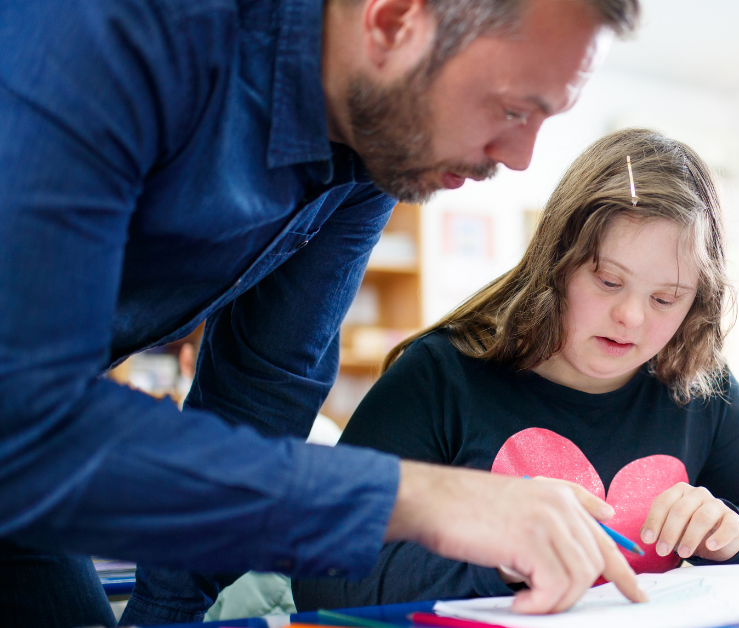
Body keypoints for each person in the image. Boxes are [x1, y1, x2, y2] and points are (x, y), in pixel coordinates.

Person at [0, 0, 647, 625]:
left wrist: (165, 615)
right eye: (513, 109)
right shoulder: (117, 25)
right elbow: (30, 416)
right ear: (394, 21)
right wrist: (428, 499)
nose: (519, 157)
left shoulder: (377, 147)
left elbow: (265, 385)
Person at [293, 128, 739, 610]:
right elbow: (321, 572)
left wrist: (733, 530)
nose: (631, 317)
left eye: (666, 298)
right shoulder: (440, 375)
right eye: (608, 281)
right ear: (556, 263)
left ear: (696, 301)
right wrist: (502, 555)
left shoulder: (696, 385)